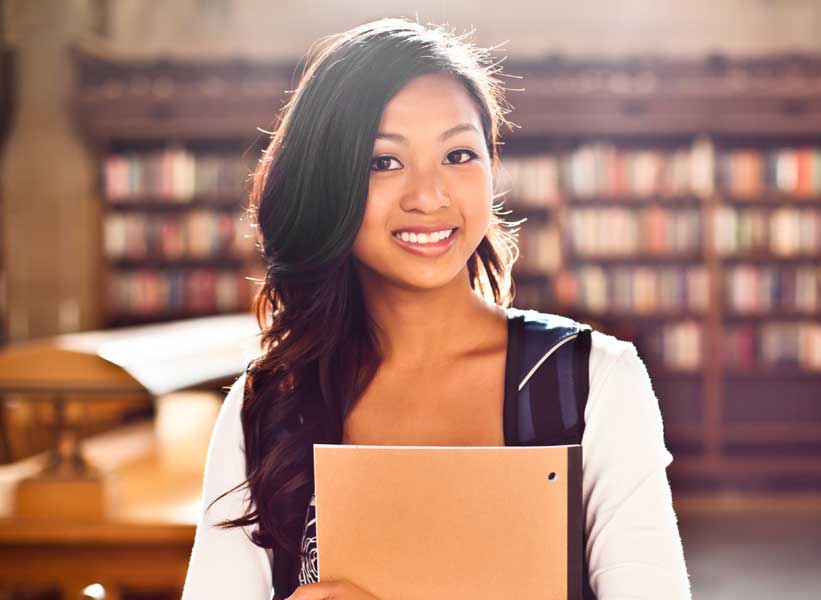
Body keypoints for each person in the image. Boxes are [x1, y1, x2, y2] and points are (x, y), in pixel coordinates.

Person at [180, 17, 692, 600]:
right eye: (384, 162)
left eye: (458, 155)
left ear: (492, 168)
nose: (429, 195)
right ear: (328, 185)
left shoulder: (596, 381)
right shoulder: (269, 403)